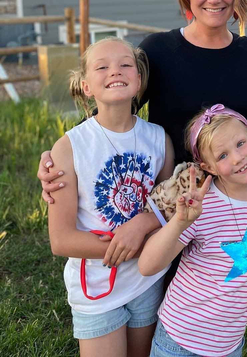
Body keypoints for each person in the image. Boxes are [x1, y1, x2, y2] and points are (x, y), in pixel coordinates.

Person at [38, 0, 247, 200]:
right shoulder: (159, 50)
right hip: (177, 203)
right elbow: (111, 113)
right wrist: (58, 154)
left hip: (246, 199)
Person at [47, 38, 174, 357]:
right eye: (102, 66)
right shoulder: (70, 147)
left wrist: (145, 236)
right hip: (97, 289)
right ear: (86, 85)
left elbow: (168, 206)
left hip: (146, 282)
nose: (115, 71)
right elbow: (61, 240)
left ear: (139, 79)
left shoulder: (159, 140)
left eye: (125, 64)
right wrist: (135, 247)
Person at [138, 104, 247, 357]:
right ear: (207, 167)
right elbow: (147, 265)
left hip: (229, 345)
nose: (237, 158)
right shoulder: (201, 206)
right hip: (179, 339)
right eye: (222, 156)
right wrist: (179, 222)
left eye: (241, 143)